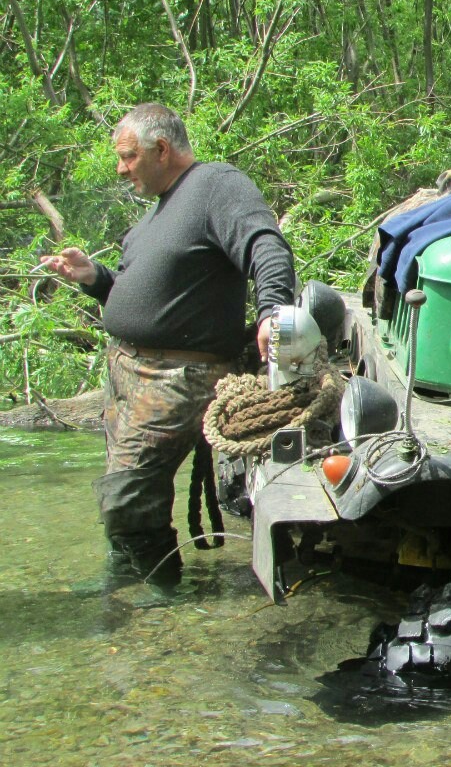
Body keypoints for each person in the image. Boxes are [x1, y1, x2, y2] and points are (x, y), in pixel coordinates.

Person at [41, 102, 296, 587]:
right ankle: (126, 577)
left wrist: (272, 312)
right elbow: (149, 298)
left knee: (125, 496)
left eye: (127, 157)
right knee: (124, 490)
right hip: (126, 377)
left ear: (161, 149)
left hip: (176, 377)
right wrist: (94, 278)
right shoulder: (158, 211)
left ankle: (161, 592)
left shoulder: (217, 185)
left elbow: (266, 246)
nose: (120, 169)